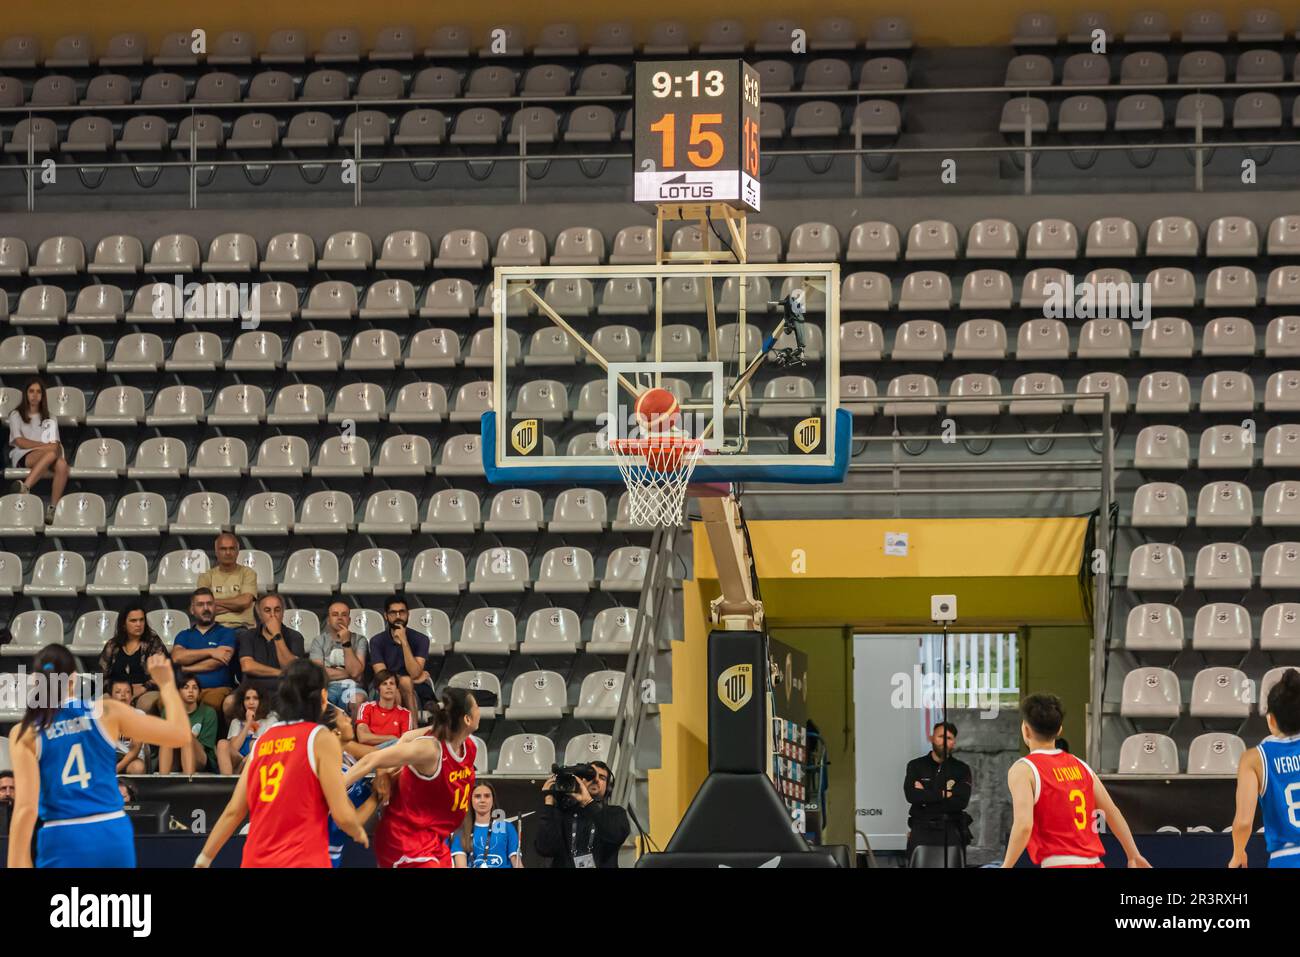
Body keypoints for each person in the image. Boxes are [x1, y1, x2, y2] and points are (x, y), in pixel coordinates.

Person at [7, 644, 191, 867]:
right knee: (112, 904)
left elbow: (27, 809)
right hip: (111, 831)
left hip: (61, 835)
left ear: (36, 683)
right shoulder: (107, 711)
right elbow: (181, 736)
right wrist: (167, 685)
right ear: (74, 679)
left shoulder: (25, 732)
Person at [196, 659, 368, 868]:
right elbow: (341, 815)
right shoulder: (321, 738)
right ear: (323, 696)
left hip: (256, 860)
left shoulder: (263, 740)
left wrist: (203, 859)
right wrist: (358, 831)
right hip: (301, 860)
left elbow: (234, 810)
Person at [1002, 693, 1150, 869]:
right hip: (1095, 864)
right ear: (1059, 730)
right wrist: (1133, 854)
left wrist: (1006, 866)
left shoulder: (1023, 769)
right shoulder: (1081, 766)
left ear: (1025, 729)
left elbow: (1024, 825)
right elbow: (1112, 812)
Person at [342, 687, 479, 868]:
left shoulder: (469, 746)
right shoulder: (430, 750)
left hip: (432, 837)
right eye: (476, 706)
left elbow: (406, 736)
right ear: (467, 719)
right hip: (405, 837)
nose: (480, 710)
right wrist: (332, 790)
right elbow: (371, 759)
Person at [1230, 668, 1300, 868]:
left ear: (1271, 719)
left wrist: (1238, 852)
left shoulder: (1253, 759)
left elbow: (1243, 823)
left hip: (1285, 859)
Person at [535, 760, 629, 868]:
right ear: (580, 780)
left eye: (602, 777)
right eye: (590, 775)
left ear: (608, 787)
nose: (596, 779)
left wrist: (588, 802)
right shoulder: (563, 813)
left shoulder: (616, 813)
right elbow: (544, 849)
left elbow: (614, 836)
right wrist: (549, 801)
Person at [903, 721, 973, 866]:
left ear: (954, 742)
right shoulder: (916, 765)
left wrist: (925, 795)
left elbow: (960, 802)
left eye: (949, 738)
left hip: (950, 829)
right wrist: (943, 794)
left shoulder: (961, 769)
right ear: (931, 738)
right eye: (941, 736)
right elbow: (911, 796)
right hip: (921, 828)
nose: (945, 742)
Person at [324, 706, 385, 867]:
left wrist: (381, 773)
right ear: (335, 732)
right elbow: (354, 821)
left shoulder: (345, 747)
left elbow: (375, 754)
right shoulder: (328, 770)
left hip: (340, 847)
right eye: (344, 717)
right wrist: (378, 794)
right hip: (326, 852)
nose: (350, 720)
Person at [228, 593, 305, 717]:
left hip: (281, 692)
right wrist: (279, 673)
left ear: (283, 613)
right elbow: (247, 666)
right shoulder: (248, 636)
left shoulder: (295, 637)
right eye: (267, 610)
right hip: (252, 692)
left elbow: (290, 668)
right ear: (260, 614)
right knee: (229, 703)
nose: (273, 615)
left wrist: (277, 635)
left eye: (277, 610)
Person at [6, 376, 69, 524]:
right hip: (22, 455)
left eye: (38, 392)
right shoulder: (16, 415)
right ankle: (26, 487)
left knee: (62, 465)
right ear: (26, 394)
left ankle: (51, 508)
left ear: (43, 395)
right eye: (31, 391)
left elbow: (55, 445)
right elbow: (20, 442)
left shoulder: (50, 417)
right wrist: (44, 446)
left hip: (47, 456)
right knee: (51, 453)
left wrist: (44, 447)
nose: (35, 395)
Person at [170, 588, 239, 719]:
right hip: (186, 688)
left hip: (217, 688)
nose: (206, 608)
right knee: (165, 702)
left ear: (215, 607)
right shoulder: (183, 635)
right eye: (200, 605)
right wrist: (211, 651)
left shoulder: (227, 633)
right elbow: (178, 657)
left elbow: (218, 661)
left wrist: (188, 667)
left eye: (210, 604)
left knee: (210, 704)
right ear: (192, 610)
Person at [97, 603, 171, 714]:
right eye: (133, 621)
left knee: (145, 703)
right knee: (103, 703)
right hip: (117, 690)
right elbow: (101, 676)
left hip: (146, 690)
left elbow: (162, 674)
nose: (138, 624)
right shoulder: (112, 645)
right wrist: (118, 690)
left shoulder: (153, 642)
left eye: (141, 620)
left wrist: (143, 688)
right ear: (123, 624)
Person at [367, 597, 433, 718]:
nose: (398, 616)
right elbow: (382, 674)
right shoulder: (376, 640)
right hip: (383, 683)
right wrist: (409, 680)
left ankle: (411, 730)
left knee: (407, 683)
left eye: (402, 612)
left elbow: (414, 672)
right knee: (398, 687)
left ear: (408, 614)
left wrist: (404, 641)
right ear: (386, 616)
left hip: (415, 687)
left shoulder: (421, 639)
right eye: (393, 613)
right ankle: (407, 729)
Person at [310, 599, 368, 717]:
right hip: (327, 687)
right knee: (318, 700)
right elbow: (319, 673)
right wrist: (350, 673)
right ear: (328, 619)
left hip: (352, 687)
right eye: (335, 614)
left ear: (349, 620)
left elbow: (356, 672)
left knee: (358, 700)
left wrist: (346, 642)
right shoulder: (319, 641)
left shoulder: (360, 640)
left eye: (344, 615)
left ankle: (354, 735)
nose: (340, 618)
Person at [157, 675, 219, 775]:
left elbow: (204, 747)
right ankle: (162, 779)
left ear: (199, 692)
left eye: (194, 688)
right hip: (174, 758)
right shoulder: (168, 711)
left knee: (186, 736)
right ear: (178, 692)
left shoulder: (208, 713)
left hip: (199, 759)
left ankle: (188, 781)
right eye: (186, 687)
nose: (191, 691)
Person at [451, 781, 522, 868]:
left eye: (487, 796)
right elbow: (461, 866)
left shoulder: (507, 827)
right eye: (477, 796)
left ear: (493, 799)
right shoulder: (461, 832)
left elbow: (517, 863)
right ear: (470, 800)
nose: (482, 800)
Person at [196, 533, 257, 629]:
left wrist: (213, 602)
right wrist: (237, 606)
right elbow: (203, 609)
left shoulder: (248, 573)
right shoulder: (205, 577)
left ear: (237, 552)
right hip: (213, 628)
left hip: (242, 627)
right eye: (223, 549)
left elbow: (244, 602)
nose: (228, 553)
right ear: (216, 552)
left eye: (232, 548)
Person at [216, 682, 275, 775]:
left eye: (255, 698)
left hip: (257, 760)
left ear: (261, 701)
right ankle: (226, 783)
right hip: (238, 758)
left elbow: (268, 748)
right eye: (247, 699)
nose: (251, 702)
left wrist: (245, 762)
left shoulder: (270, 720)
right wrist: (248, 723)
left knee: (254, 745)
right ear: (242, 702)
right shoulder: (236, 721)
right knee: (222, 744)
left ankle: (237, 775)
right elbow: (234, 748)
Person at [355, 672, 412, 745]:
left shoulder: (405, 714)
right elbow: (362, 738)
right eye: (384, 684)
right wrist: (392, 738)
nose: (389, 687)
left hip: (392, 753)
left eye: (392, 683)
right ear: (378, 689)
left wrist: (372, 738)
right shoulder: (366, 707)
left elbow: (404, 743)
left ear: (397, 689)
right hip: (368, 753)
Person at [109, 678, 149, 774]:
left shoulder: (139, 715)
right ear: (111, 697)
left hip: (131, 760)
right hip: (109, 758)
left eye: (127, 692)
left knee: (138, 767)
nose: (123, 695)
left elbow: (134, 750)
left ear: (131, 696)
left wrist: (115, 770)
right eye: (118, 692)